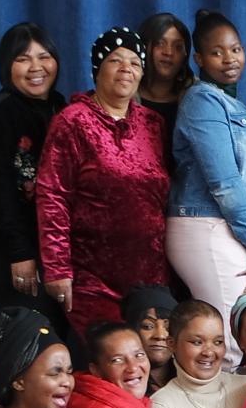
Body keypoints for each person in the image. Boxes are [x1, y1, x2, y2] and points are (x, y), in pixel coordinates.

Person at [37, 27, 173, 336]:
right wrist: (58, 269)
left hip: (150, 272)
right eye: (115, 61)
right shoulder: (72, 121)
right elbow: (52, 196)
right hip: (92, 274)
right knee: (106, 357)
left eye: (135, 63)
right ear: (98, 69)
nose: (126, 69)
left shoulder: (152, 123)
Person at [0, 23, 67, 322]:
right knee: (22, 339)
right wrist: (19, 253)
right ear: (7, 65)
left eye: (44, 56)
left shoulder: (61, 107)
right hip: (4, 249)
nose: (36, 67)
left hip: (45, 247)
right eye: (23, 59)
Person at [165, 10, 246, 317]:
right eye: (217, 52)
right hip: (206, 224)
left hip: (225, 225)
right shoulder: (203, 101)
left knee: (235, 330)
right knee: (231, 336)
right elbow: (224, 181)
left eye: (235, 49)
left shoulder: (232, 103)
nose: (229, 59)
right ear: (199, 59)